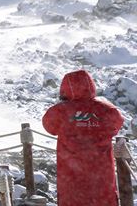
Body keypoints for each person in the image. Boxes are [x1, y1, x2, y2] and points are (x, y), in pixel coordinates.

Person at [42, 70, 123, 206]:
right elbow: (116, 124)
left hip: (71, 181)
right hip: (102, 180)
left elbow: (49, 127)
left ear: (65, 88)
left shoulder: (59, 112)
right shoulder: (108, 110)